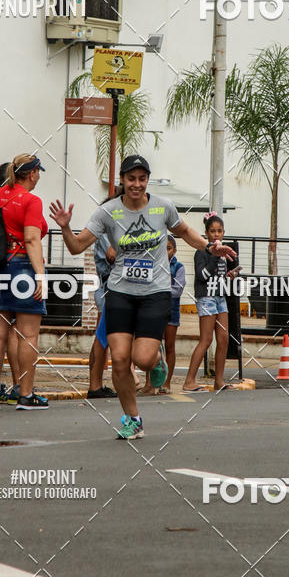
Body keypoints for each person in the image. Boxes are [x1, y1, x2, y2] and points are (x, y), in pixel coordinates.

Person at [49, 155, 235, 440]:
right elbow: (76, 247)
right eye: (131, 178)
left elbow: (184, 231)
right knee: (121, 360)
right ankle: (132, 418)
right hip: (120, 292)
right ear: (122, 180)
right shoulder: (108, 212)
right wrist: (64, 227)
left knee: (143, 359)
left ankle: (157, 361)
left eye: (142, 178)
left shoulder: (162, 207)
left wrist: (209, 247)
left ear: (147, 180)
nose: (136, 184)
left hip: (155, 293)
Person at [0, 153, 49, 410]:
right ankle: (25, 394)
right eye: (38, 172)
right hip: (22, 267)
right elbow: (31, 239)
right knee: (28, 334)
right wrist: (40, 274)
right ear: (31, 173)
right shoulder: (31, 200)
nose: (38, 176)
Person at [182, 212, 240, 393]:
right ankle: (189, 381)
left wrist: (232, 275)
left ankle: (219, 381)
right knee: (206, 339)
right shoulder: (202, 252)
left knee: (223, 339)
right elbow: (202, 276)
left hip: (221, 296)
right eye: (213, 231)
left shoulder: (224, 254)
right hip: (206, 297)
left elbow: (221, 276)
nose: (216, 235)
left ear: (224, 233)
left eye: (219, 231)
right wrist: (214, 256)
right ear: (206, 233)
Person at [139, 235, 186, 396]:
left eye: (169, 248)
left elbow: (177, 290)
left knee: (170, 346)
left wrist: (159, 289)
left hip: (171, 312)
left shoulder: (178, 267)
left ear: (174, 250)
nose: (166, 252)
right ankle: (149, 383)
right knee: (152, 346)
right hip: (154, 311)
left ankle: (167, 383)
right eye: (163, 248)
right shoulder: (152, 265)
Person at [0, 161, 22, 405]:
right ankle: (20, 385)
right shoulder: (25, 200)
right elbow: (38, 231)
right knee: (18, 330)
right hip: (19, 265)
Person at [87, 232, 117, 399]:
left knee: (103, 337)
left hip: (114, 287)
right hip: (110, 287)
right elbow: (112, 256)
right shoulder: (109, 225)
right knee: (102, 337)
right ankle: (95, 385)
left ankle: (96, 385)